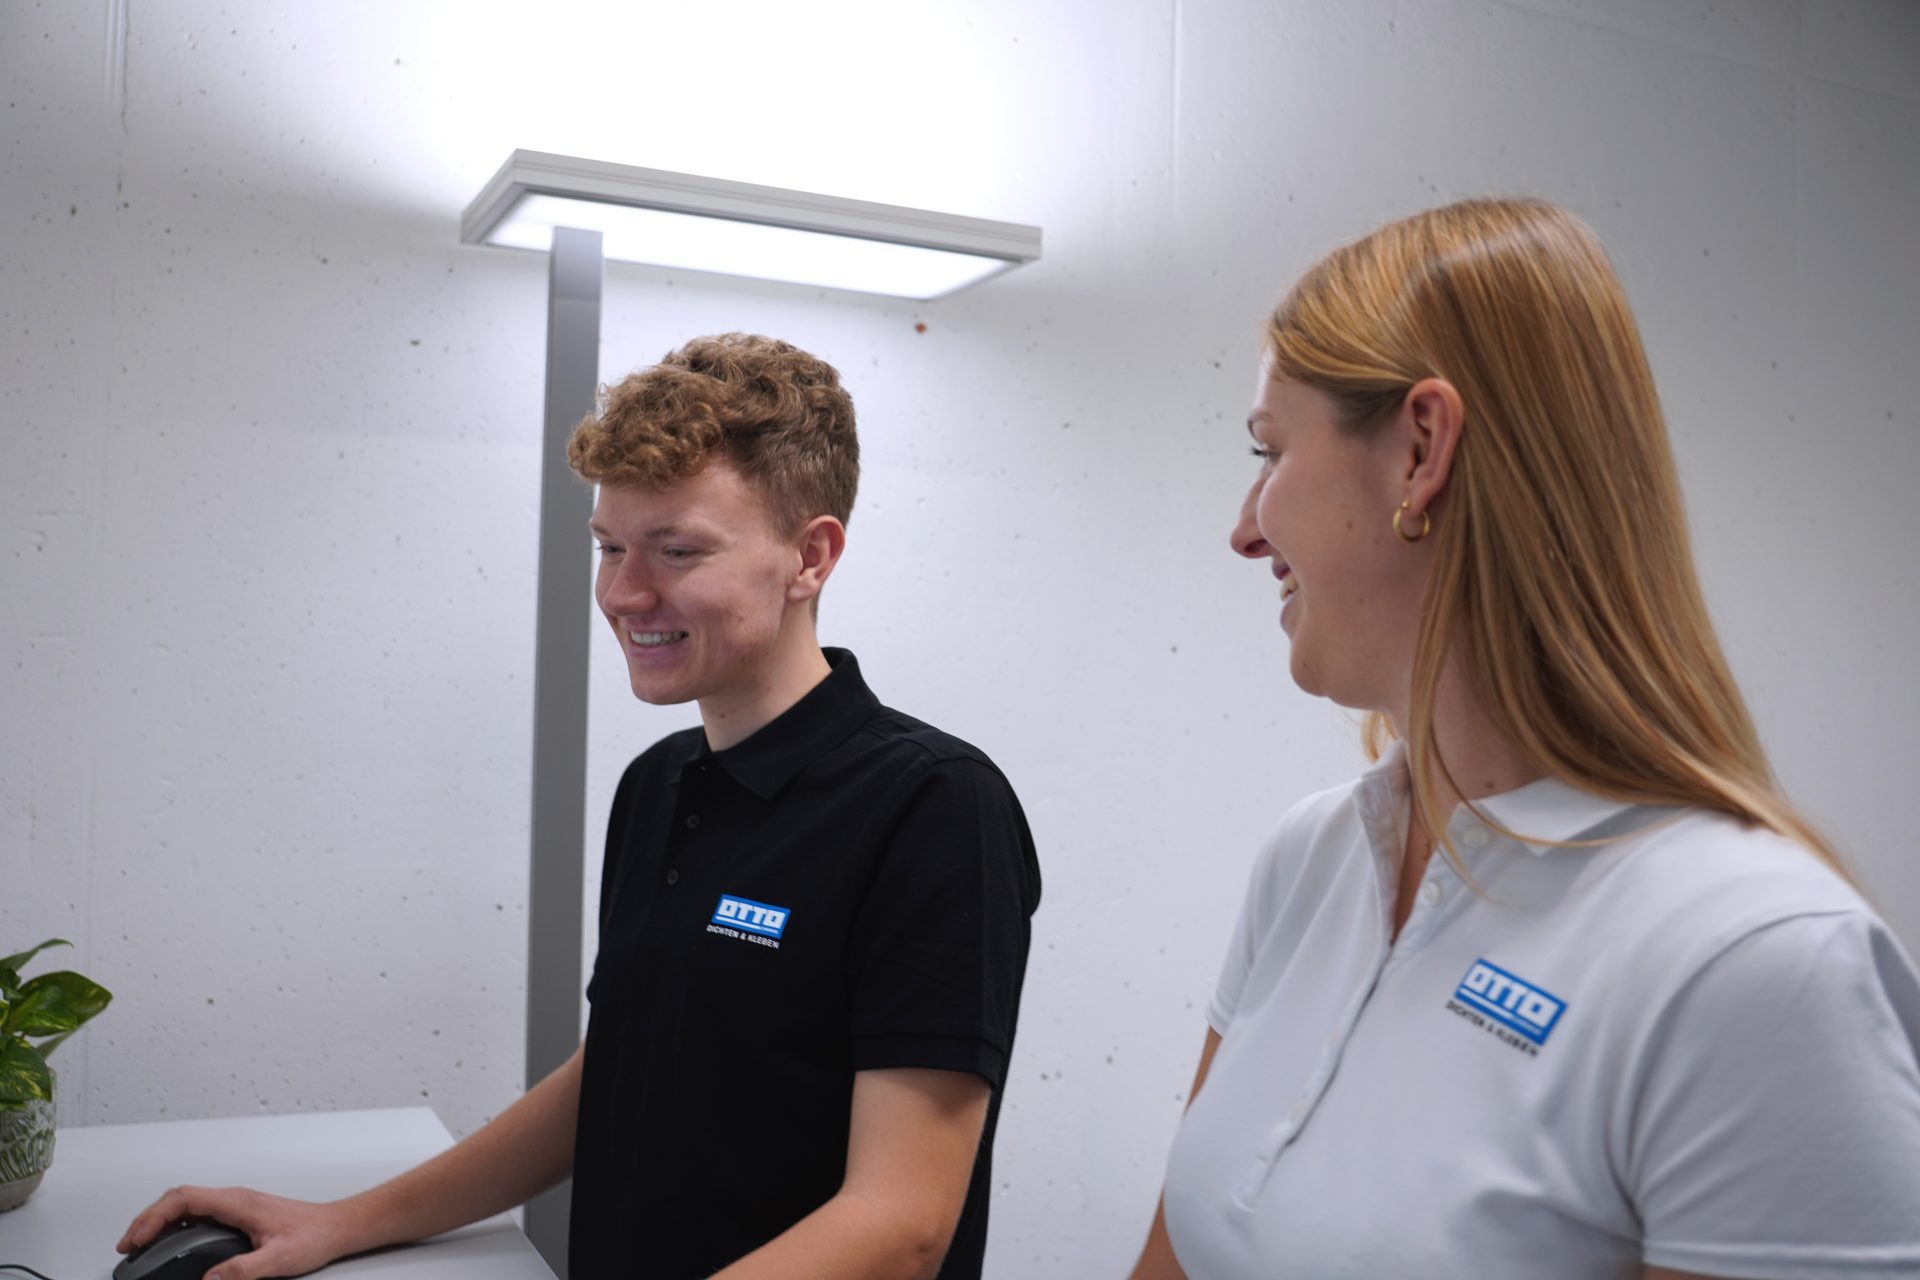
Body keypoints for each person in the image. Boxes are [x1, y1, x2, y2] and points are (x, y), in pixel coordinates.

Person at [119, 333, 1042, 1280]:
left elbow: (902, 1222)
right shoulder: (661, 784)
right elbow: (620, 1070)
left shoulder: (934, 807)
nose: (623, 594)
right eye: (609, 547)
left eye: (678, 550)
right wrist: (344, 1222)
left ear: (810, 556)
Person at [1127, 199, 1920, 1280]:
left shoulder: (1759, 960)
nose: (1245, 525)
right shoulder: (1310, 862)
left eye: (1270, 453)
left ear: (1421, 449)